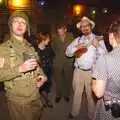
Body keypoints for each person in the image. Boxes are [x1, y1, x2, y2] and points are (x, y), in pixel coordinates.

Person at [0, 11, 47, 120]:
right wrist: (20, 69)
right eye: (16, 21)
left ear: (27, 27)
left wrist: (43, 76)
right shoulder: (3, 49)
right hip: (18, 100)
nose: (20, 24)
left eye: (23, 22)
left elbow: (37, 66)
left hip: (35, 94)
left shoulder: (29, 46)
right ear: (10, 25)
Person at [65, 16, 107, 119]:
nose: (84, 28)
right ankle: (74, 113)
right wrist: (76, 47)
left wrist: (97, 46)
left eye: (86, 25)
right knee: (77, 94)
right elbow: (67, 52)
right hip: (78, 71)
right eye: (82, 26)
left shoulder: (98, 39)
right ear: (80, 29)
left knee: (91, 96)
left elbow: (106, 56)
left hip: (92, 72)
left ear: (91, 26)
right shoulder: (78, 40)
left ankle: (91, 115)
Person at [92, 19, 120, 120]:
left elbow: (98, 92)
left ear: (111, 35)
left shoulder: (105, 58)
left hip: (113, 109)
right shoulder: (78, 40)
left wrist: (94, 77)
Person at [52, 23, 74, 103]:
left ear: (65, 30)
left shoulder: (71, 36)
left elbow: (74, 47)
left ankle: (67, 94)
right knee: (58, 79)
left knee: (68, 79)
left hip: (68, 61)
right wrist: (58, 55)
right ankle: (58, 94)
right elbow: (53, 48)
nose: (60, 34)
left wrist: (72, 57)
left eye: (61, 32)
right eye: (58, 32)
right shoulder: (54, 38)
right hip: (58, 61)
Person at [36, 32, 55, 108]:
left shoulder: (49, 48)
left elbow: (53, 56)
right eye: (48, 39)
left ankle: (46, 101)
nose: (49, 40)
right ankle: (45, 101)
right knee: (40, 88)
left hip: (48, 71)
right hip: (39, 72)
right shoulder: (35, 50)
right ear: (43, 40)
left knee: (47, 87)